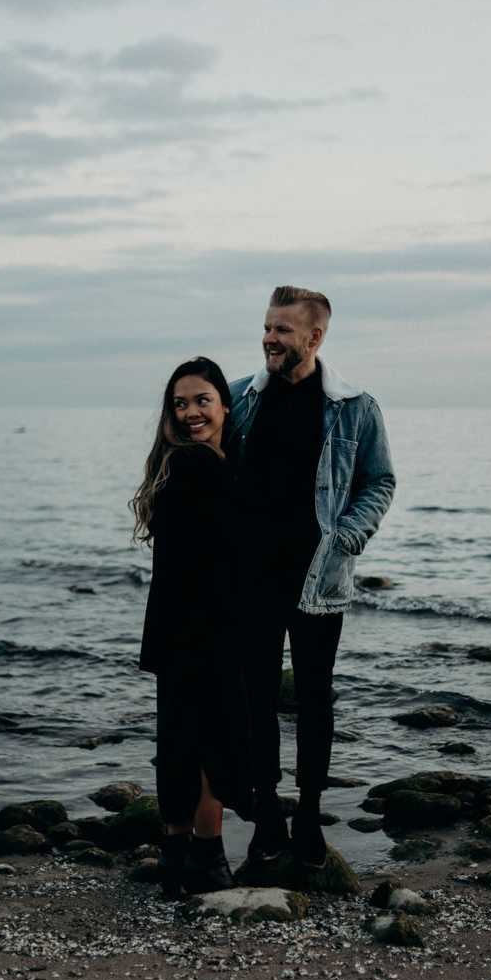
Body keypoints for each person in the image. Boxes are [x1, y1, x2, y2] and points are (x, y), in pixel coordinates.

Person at [228, 285, 394, 874]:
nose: (269, 339)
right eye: (267, 328)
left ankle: (310, 818)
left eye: (282, 330)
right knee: (257, 700)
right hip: (249, 578)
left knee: (316, 700)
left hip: (317, 581)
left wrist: (347, 537)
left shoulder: (355, 407)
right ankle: (267, 814)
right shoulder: (240, 400)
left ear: (314, 337)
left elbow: (380, 481)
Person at [132, 357, 256, 900]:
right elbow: (233, 552)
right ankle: (206, 856)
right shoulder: (203, 466)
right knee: (215, 741)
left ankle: (174, 856)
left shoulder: (179, 465)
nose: (189, 413)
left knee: (179, 740)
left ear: (226, 404)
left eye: (201, 400)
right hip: (207, 624)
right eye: (180, 404)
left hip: (175, 623)